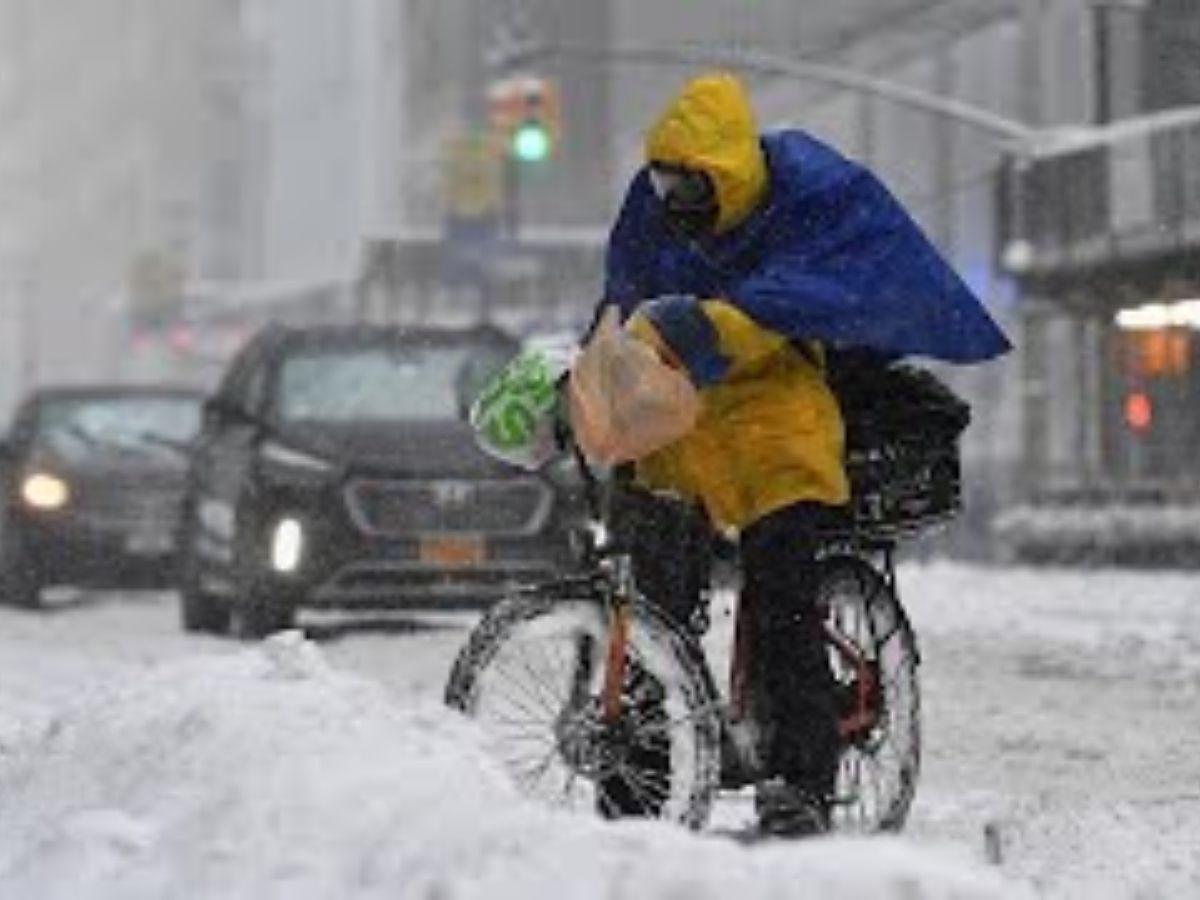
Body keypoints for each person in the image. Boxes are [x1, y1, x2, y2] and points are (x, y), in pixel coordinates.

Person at [593, 70, 1010, 837]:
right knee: (649, 592)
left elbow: (800, 295)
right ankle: (635, 772)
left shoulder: (806, 195)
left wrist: (707, 325)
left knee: (784, 600)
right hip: (683, 423)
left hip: (776, 426)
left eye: (690, 184)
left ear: (726, 173)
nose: (674, 199)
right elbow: (622, 300)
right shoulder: (654, 211)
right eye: (665, 181)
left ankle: (803, 780)